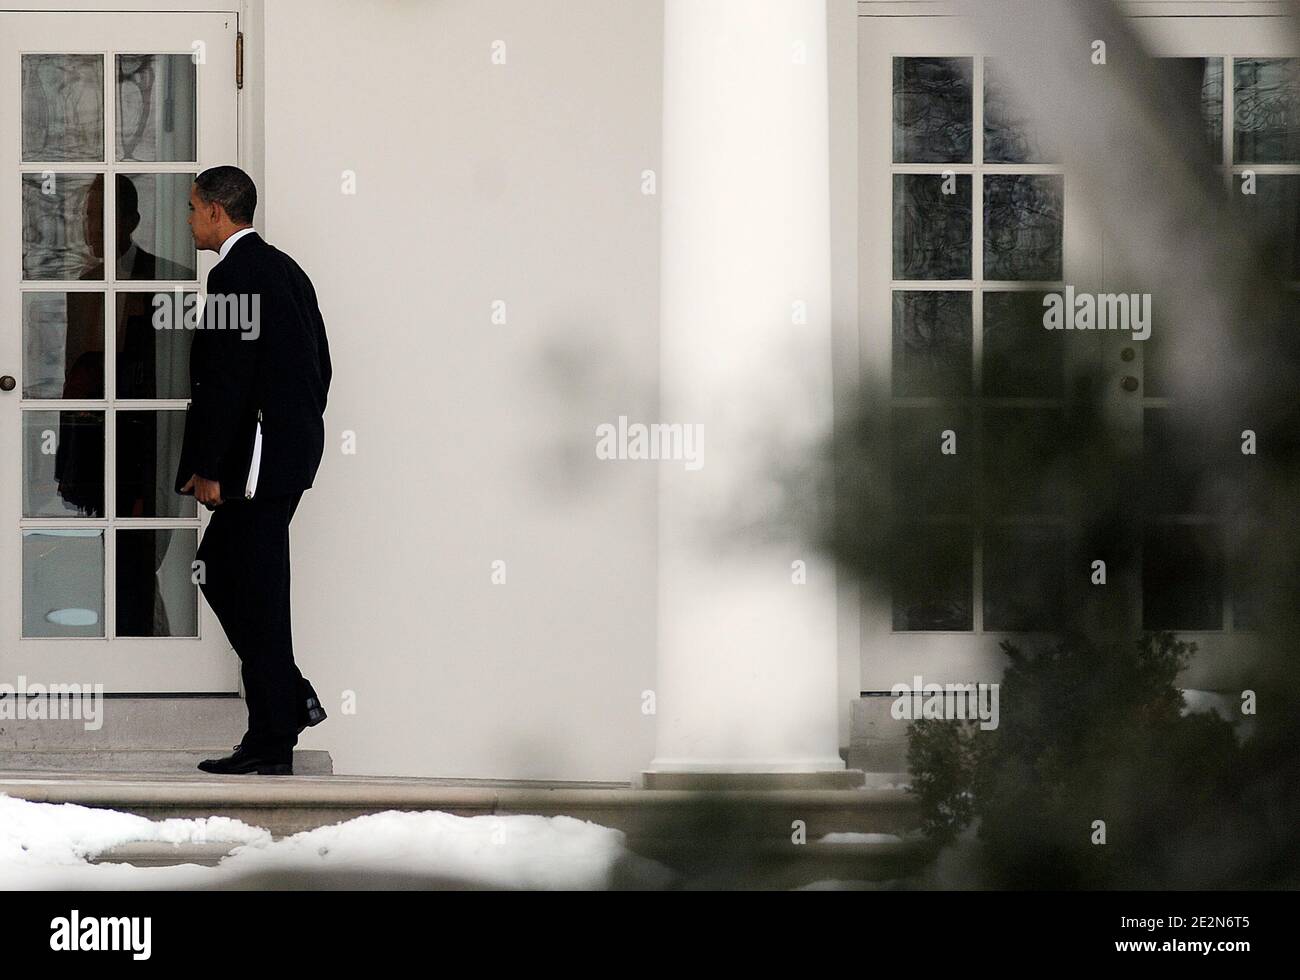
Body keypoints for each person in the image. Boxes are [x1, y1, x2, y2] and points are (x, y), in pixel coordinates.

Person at [177, 165, 331, 775]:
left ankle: (273, 733)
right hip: (281, 458)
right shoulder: (287, 268)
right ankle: (286, 704)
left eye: (192, 209)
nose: (188, 221)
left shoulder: (235, 273)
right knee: (227, 575)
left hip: (257, 463)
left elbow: (226, 382)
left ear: (218, 212)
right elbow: (321, 367)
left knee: (251, 588)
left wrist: (214, 468)